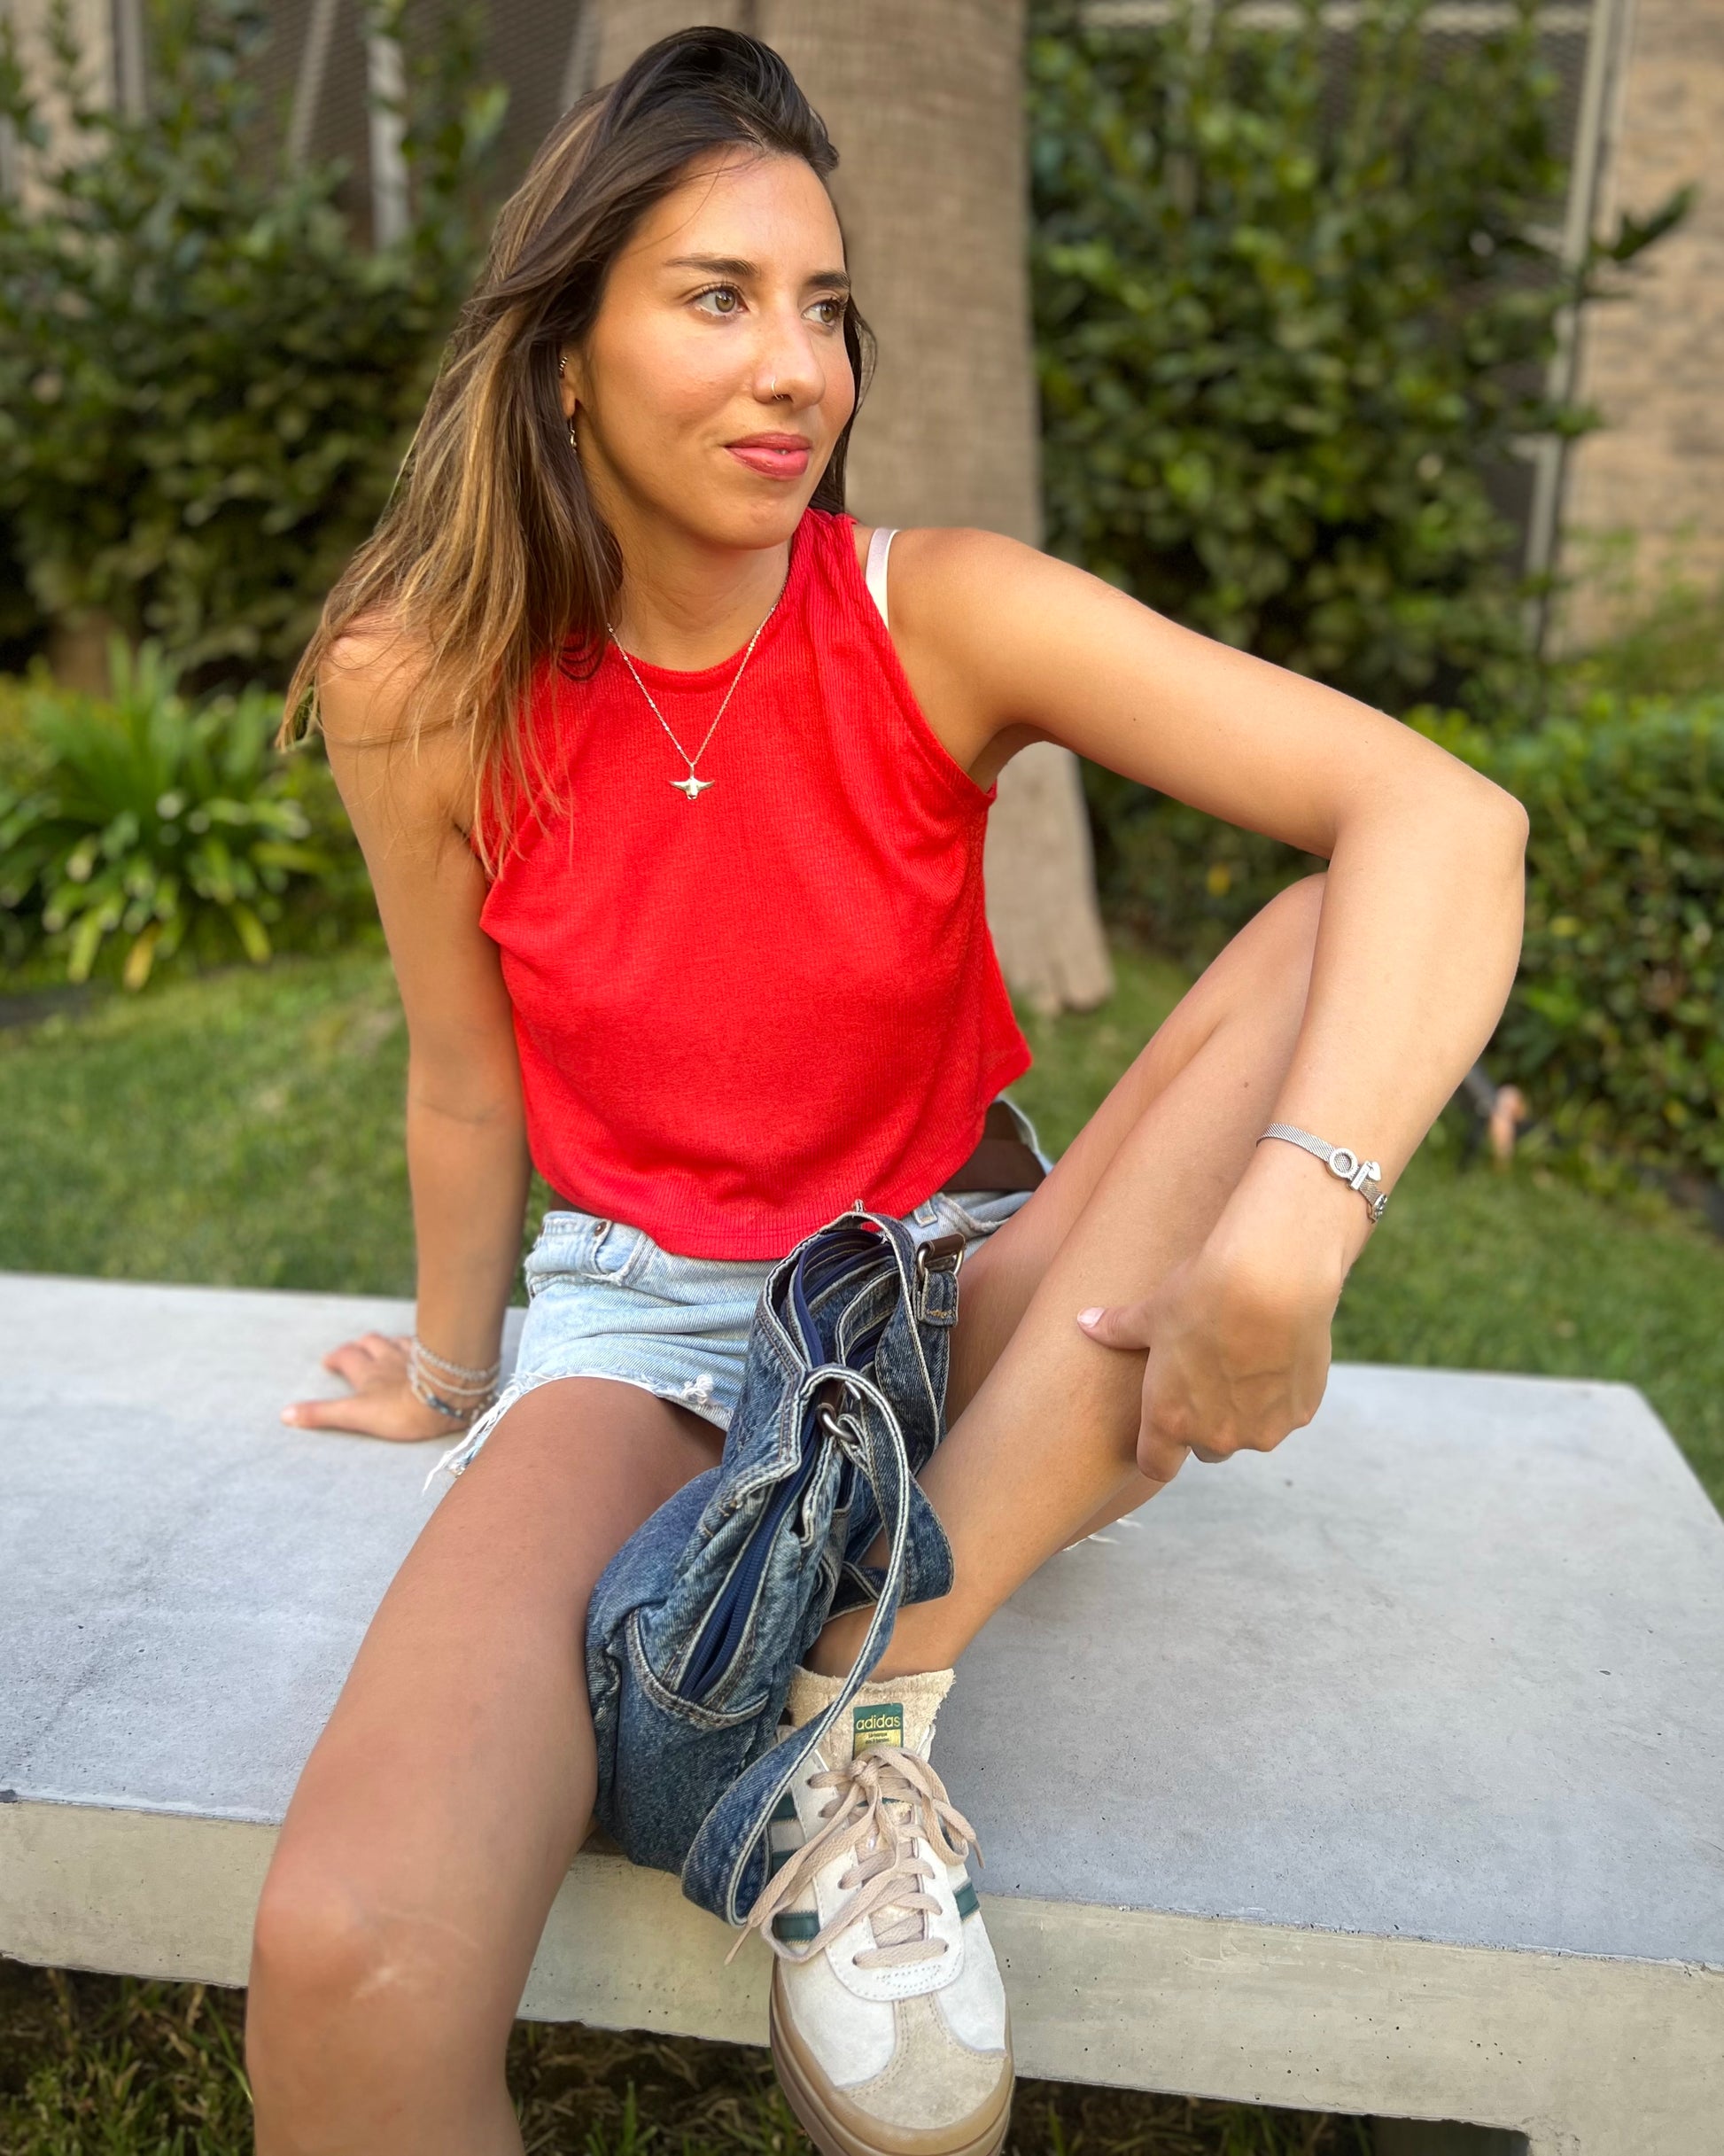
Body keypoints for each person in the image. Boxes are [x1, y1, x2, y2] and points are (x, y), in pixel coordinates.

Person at [243, 27, 1526, 2156]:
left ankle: (870, 1679)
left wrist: (1293, 1233)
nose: (797, 370)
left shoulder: (937, 610)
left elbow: (1446, 821)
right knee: (347, 1947)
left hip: (971, 1312)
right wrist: (453, 1374)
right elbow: (467, 1088)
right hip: (653, 1330)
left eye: (824, 307)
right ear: (561, 359)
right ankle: (841, 1662)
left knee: (1327, 935)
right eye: (718, 297)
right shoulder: (423, 682)